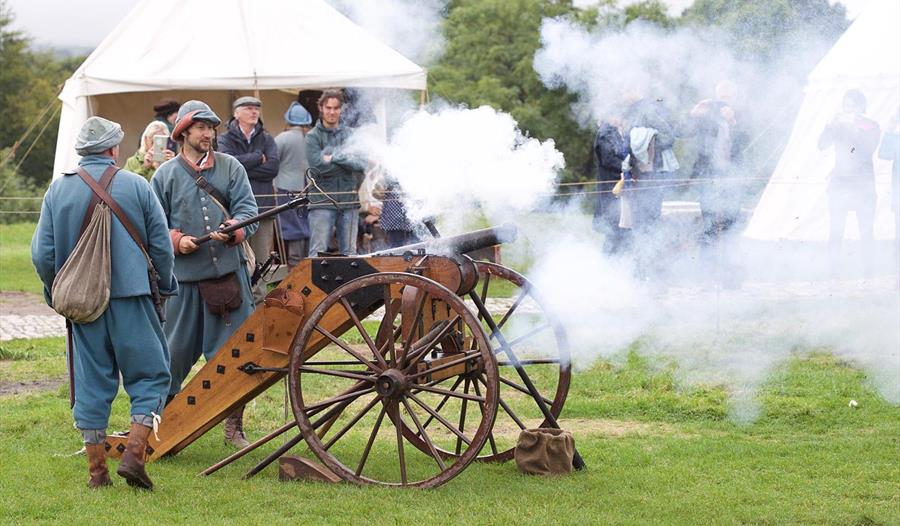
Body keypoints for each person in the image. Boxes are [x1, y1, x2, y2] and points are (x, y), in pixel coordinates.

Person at [32, 116, 176, 490]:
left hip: (84, 304)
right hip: (133, 298)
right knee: (151, 375)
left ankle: (98, 473)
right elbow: (161, 246)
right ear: (113, 150)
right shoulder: (137, 186)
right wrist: (166, 284)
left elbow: (41, 255)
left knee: (91, 383)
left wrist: (58, 291)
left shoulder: (57, 191)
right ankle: (133, 454)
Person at [151, 100, 259, 449]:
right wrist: (176, 240)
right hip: (184, 285)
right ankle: (164, 426)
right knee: (173, 355)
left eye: (211, 128)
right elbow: (153, 226)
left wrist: (234, 229)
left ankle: (233, 428)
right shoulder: (164, 176)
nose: (209, 134)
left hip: (229, 277)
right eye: (201, 128)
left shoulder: (231, 168)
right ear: (183, 132)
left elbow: (248, 211)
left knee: (237, 355)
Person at [217, 96, 280, 302]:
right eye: (249, 108)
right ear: (236, 113)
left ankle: (258, 304)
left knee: (261, 261)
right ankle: (239, 302)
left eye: (257, 109)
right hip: (234, 209)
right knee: (238, 258)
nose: (254, 112)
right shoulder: (225, 139)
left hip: (263, 208)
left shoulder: (267, 139)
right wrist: (256, 158)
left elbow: (273, 168)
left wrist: (242, 166)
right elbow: (228, 167)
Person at [689, 81, 747, 286]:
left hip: (733, 178)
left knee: (731, 227)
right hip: (708, 177)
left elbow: (745, 142)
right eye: (720, 97)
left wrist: (732, 122)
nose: (723, 102)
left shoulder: (741, 116)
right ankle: (706, 278)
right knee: (709, 227)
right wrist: (694, 114)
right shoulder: (705, 118)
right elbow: (682, 133)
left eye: (728, 97)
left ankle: (730, 278)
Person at [817, 89, 880, 274]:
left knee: (866, 231)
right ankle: (834, 271)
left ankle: (869, 271)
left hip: (863, 185)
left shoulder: (871, 126)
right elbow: (821, 145)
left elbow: (866, 150)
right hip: (840, 183)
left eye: (852, 105)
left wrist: (854, 128)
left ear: (861, 107)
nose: (848, 109)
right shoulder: (837, 125)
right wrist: (829, 126)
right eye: (846, 105)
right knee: (836, 230)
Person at [305, 89, 367, 256]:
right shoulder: (312, 136)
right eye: (328, 108)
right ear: (321, 108)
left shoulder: (350, 135)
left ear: (341, 109)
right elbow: (317, 167)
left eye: (336, 108)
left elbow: (361, 164)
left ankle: (351, 284)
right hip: (321, 202)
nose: (332, 112)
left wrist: (334, 158)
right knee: (317, 253)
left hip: (349, 201)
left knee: (350, 254)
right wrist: (347, 161)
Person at [273, 101, 312, 267]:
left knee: (293, 228)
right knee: (305, 226)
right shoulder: (310, 138)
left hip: (284, 187)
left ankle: (294, 266)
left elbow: (273, 163)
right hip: (307, 186)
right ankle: (304, 263)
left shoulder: (281, 138)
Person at [592, 116, 627, 254]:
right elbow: (608, 160)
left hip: (615, 189)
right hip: (610, 189)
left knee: (618, 232)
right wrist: (628, 169)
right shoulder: (605, 133)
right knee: (613, 232)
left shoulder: (613, 132)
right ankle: (608, 266)